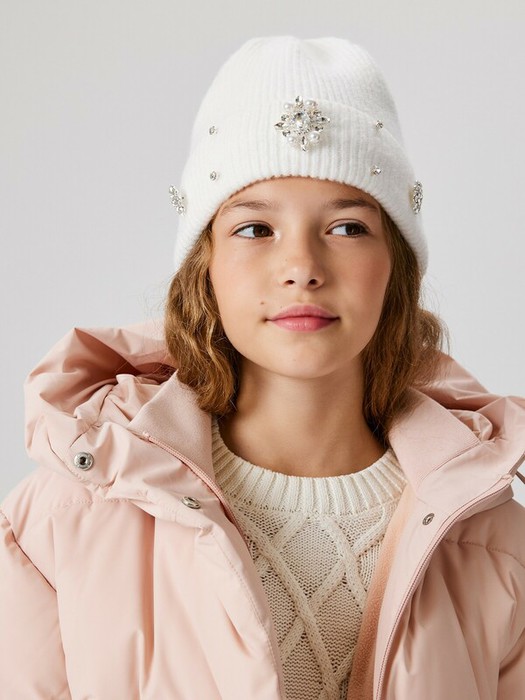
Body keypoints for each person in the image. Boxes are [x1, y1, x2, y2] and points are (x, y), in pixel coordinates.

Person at [1, 36, 524, 700]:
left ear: (394, 266)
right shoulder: (57, 522)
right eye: (254, 229)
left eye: (347, 227)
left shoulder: (496, 543)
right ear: (205, 268)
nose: (301, 267)